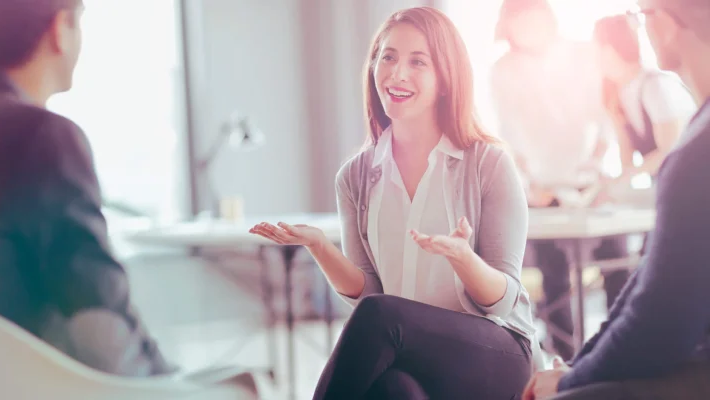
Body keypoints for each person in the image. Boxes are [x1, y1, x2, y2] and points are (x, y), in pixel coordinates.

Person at [0, 1, 258, 395]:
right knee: (240, 387)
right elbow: (101, 329)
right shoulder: (40, 137)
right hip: (17, 386)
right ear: (60, 30)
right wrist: (169, 384)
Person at [250, 7, 541, 399]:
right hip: (411, 352)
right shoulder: (355, 177)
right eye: (387, 57)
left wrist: (463, 259)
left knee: (381, 317)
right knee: (393, 388)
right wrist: (320, 246)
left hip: (498, 352)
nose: (397, 73)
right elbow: (369, 292)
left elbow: (503, 302)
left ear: (445, 79)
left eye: (417, 62)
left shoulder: (488, 164)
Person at [523, 1, 710, 398]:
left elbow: (659, 326)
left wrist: (572, 379)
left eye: (645, 15)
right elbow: (647, 290)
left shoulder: (694, 156)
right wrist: (580, 364)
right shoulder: (691, 131)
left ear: (670, 24)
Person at [491, 0, 631, 360]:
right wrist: (532, 181)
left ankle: (621, 344)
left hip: (590, 178)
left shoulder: (584, 55)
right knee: (554, 275)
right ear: (508, 24)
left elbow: (605, 113)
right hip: (542, 186)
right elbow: (510, 131)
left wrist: (598, 161)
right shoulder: (504, 70)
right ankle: (565, 353)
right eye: (519, 19)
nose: (528, 25)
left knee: (615, 261)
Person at [593, 14, 696, 194]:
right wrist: (611, 185)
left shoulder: (655, 85)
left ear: (609, 50)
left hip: (692, 184)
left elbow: (669, 150)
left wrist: (629, 175)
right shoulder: (617, 94)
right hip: (666, 186)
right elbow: (627, 155)